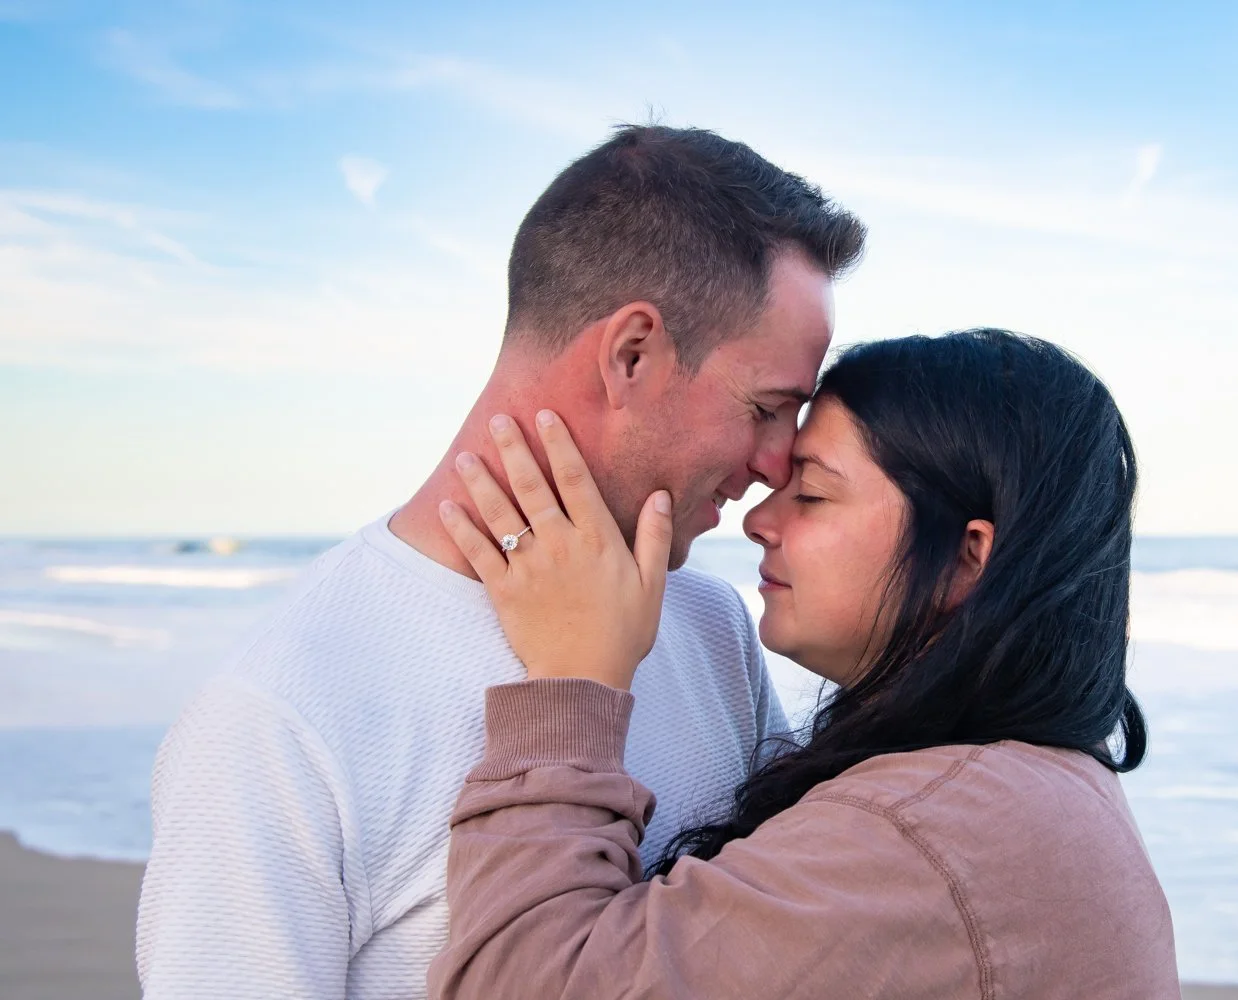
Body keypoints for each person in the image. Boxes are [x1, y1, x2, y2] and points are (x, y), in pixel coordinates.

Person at [135, 125, 866, 999]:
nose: (778, 462)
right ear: (632, 353)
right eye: (766, 406)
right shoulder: (280, 714)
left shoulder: (710, 626)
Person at [428, 329, 1181, 999]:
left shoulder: (926, 832)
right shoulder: (1020, 789)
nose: (760, 519)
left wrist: (573, 679)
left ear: (966, 557)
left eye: (813, 494)